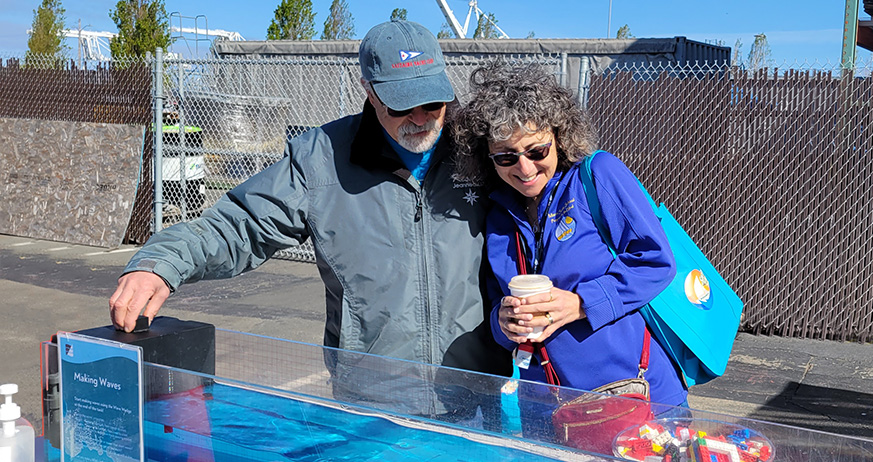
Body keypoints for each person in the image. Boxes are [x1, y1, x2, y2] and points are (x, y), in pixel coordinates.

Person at [108, 19, 510, 415]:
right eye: (403, 105)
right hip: (373, 403)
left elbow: (557, 217)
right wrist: (160, 264)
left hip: (478, 395)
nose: (421, 118)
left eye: (432, 103)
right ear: (369, 91)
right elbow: (238, 225)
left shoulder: (487, 150)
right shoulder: (321, 160)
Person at [450, 62, 687, 407]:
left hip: (635, 395)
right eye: (505, 157)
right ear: (488, 158)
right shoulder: (496, 214)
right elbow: (495, 305)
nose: (525, 168)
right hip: (547, 411)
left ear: (559, 138)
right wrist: (503, 324)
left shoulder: (598, 177)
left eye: (537, 151)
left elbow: (656, 262)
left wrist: (580, 304)